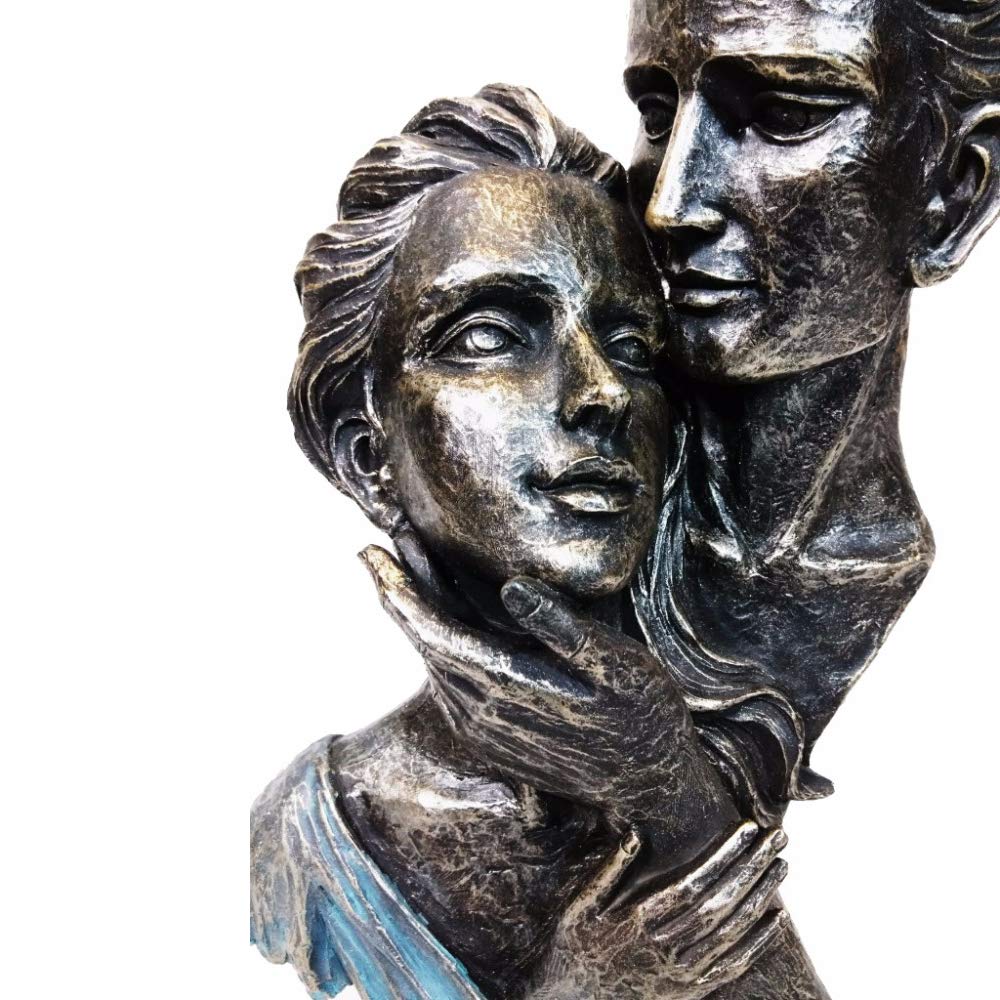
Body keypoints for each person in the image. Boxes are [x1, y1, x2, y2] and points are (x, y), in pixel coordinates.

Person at [251, 85, 825, 999]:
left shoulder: (735, 738)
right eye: (490, 336)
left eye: (632, 345)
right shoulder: (321, 828)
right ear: (367, 455)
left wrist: (671, 789)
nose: (603, 391)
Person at [623, 0, 1000, 797]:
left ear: (953, 193)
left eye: (783, 115)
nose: (670, 205)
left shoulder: (954, 629)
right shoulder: (564, 510)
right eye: (657, 115)